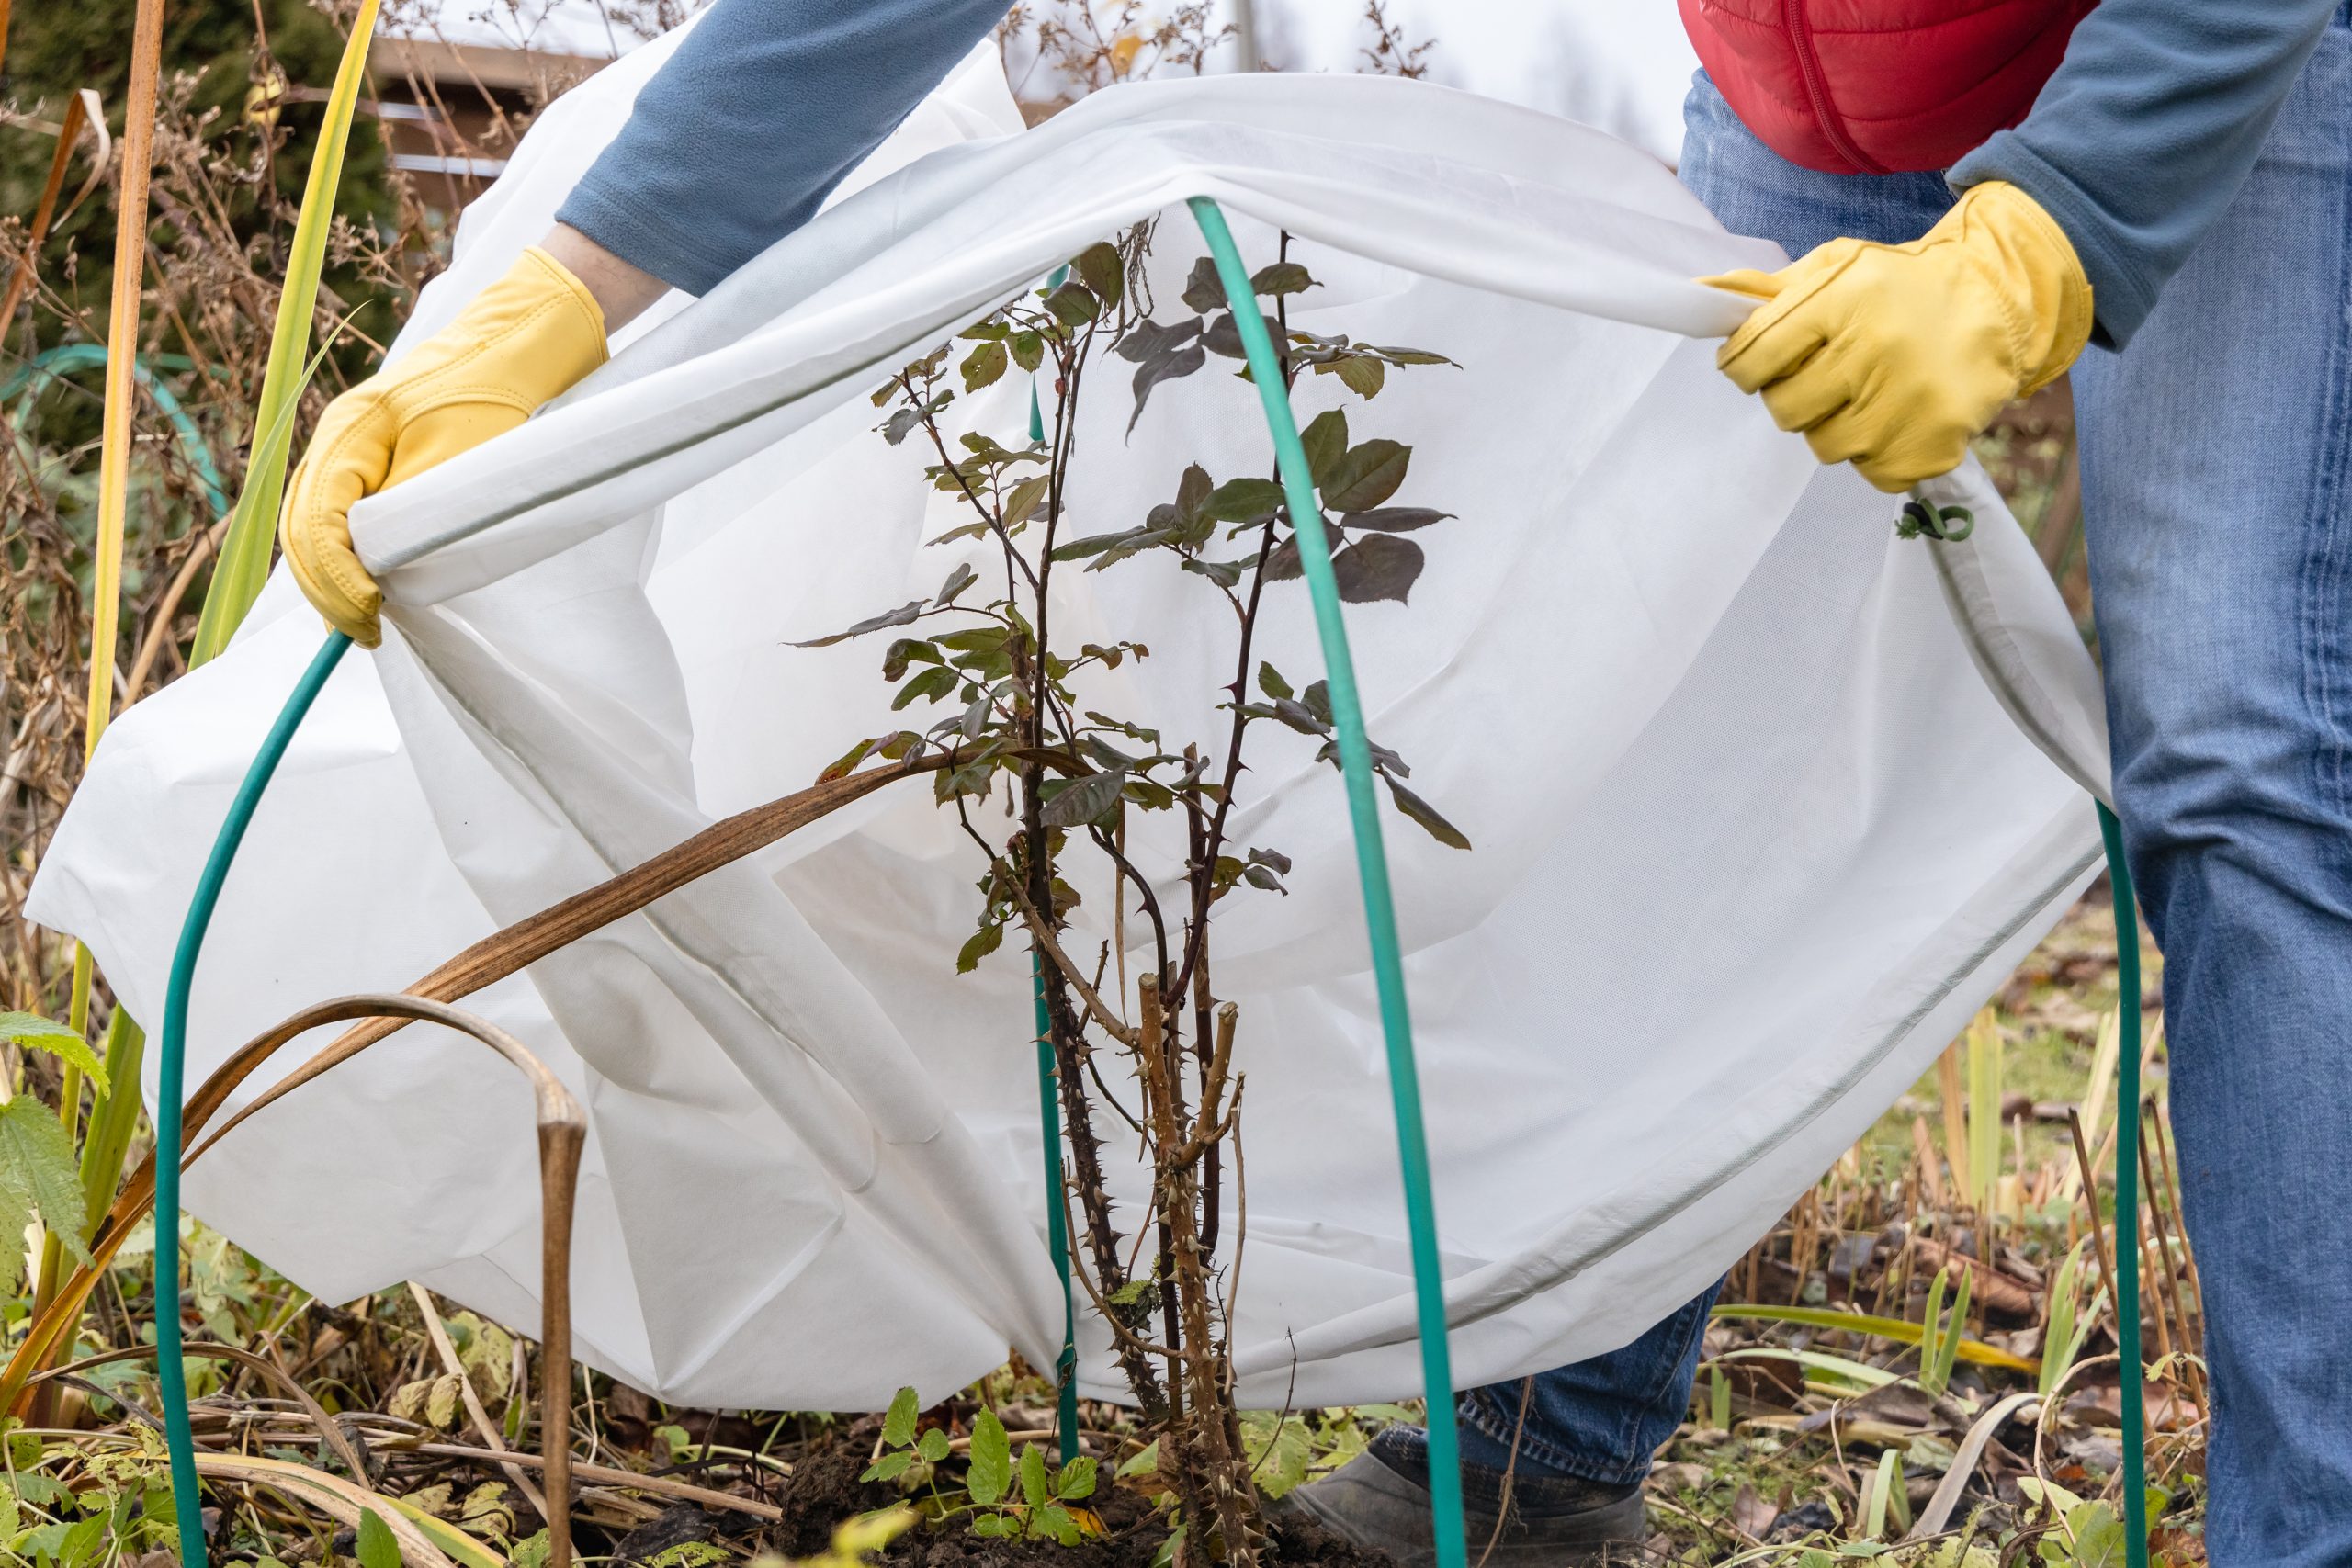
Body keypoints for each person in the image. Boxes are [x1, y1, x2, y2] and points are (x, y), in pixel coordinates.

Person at [279, 1, 2351, 1563]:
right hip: (1813, 87)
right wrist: (573, 283)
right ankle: (1541, 1453)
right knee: (1652, 680)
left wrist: (2044, 239)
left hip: (2221, 57)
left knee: (2237, 754)